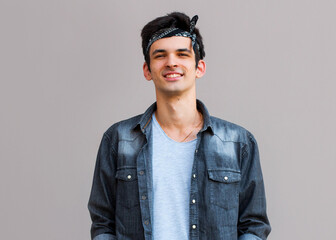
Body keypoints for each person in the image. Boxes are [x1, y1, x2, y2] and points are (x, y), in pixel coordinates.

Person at [88, 12, 271, 240]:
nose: (171, 62)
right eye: (160, 55)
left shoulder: (238, 142)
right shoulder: (119, 139)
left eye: (182, 54)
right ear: (147, 70)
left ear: (199, 68)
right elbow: (103, 224)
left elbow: (254, 225)